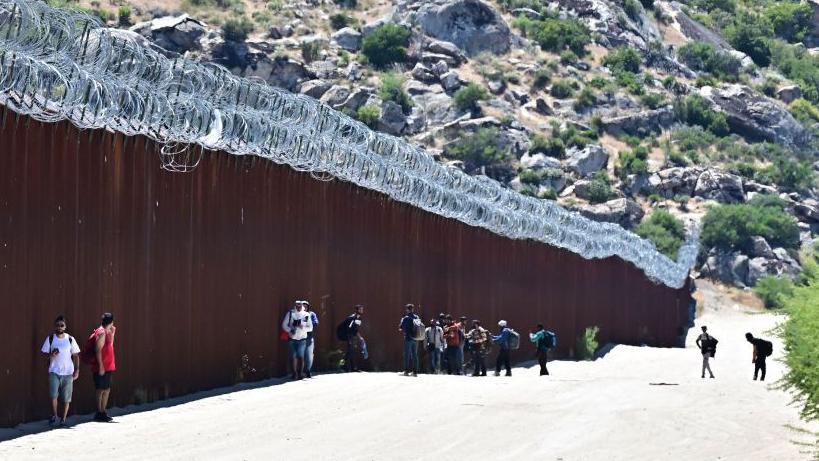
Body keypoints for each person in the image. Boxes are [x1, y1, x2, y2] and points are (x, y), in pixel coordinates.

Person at [40, 315, 80, 426]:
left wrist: (77, 370)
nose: (59, 327)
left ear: (65, 326)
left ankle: (63, 419)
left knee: (67, 397)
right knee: (53, 395)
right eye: (57, 325)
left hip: (68, 372)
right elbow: (44, 355)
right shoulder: (51, 338)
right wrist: (51, 355)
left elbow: (76, 355)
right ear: (55, 326)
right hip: (54, 371)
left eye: (62, 325)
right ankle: (55, 415)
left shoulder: (70, 339)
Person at [89, 313, 116, 422]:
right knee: (100, 390)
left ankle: (103, 411)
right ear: (111, 322)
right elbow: (98, 350)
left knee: (107, 389)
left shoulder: (107, 332)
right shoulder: (101, 333)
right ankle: (99, 412)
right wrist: (101, 366)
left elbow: (109, 346)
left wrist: (113, 334)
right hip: (101, 367)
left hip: (108, 366)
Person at [282, 300, 312, 380]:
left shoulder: (306, 315)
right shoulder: (291, 313)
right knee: (293, 356)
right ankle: (294, 373)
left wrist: (303, 327)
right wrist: (289, 331)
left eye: (300, 306)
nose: (298, 307)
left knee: (301, 356)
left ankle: (300, 373)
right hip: (292, 338)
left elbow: (310, 328)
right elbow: (284, 325)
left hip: (302, 338)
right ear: (295, 305)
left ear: (302, 306)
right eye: (297, 306)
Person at [398, 304, 420, 376]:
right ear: (412, 309)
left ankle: (406, 371)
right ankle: (415, 372)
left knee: (407, 355)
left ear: (407, 309)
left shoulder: (406, 318)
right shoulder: (417, 317)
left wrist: (401, 323)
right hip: (415, 339)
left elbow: (402, 328)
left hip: (408, 338)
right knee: (414, 355)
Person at [343, 305, 365, 372]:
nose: (362, 311)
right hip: (350, 336)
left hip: (354, 337)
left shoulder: (359, 318)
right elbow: (348, 328)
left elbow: (356, 329)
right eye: (361, 309)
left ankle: (351, 367)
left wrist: (359, 337)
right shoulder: (352, 317)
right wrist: (349, 338)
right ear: (357, 310)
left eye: (362, 309)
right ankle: (345, 366)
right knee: (350, 352)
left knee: (351, 352)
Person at [304, 301, 319, 376]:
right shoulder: (298, 314)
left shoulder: (311, 314)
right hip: (299, 337)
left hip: (309, 337)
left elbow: (316, 323)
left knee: (309, 354)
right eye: (303, 306)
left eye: (306, 306)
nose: (304, 307)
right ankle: (299, 371)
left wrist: (308, 324)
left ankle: (308, 370)